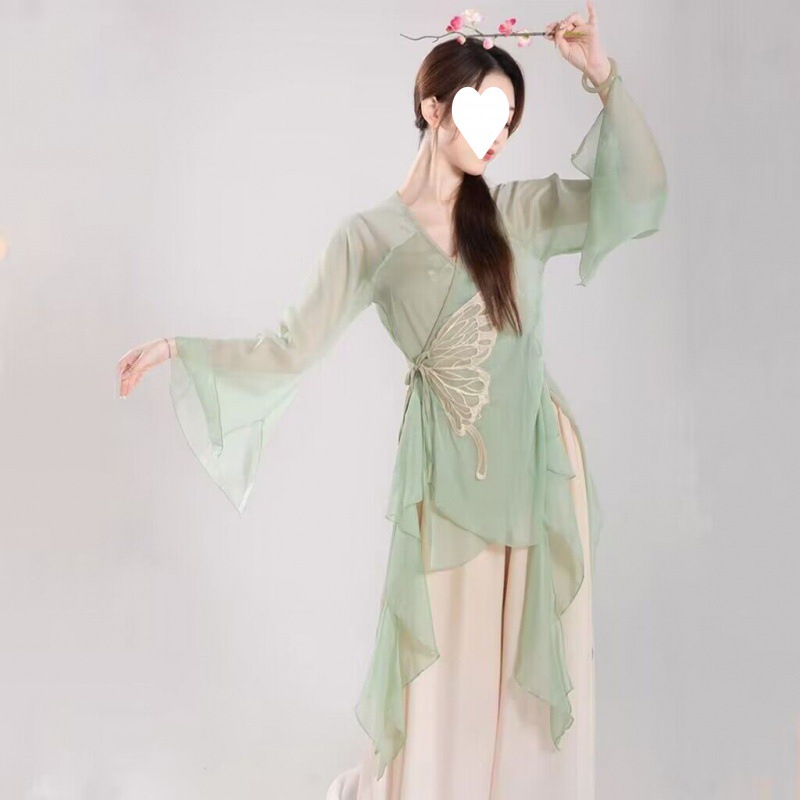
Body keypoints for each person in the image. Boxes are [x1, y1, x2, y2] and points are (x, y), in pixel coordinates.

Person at [116, 3, 667, 798]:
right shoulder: (367, 238)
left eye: (508, 120)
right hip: (447, 481)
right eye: (484, 112)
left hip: (542, 464)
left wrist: (602, 78)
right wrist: (180, 349)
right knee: (448, 679)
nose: (497, 135)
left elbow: (641, 191)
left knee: (529, 685)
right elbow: (288, 347)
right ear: (433, 107)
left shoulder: (520, 213)